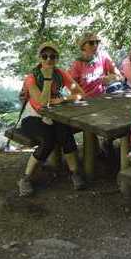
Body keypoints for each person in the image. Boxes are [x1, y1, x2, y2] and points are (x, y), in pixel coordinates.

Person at [18, 42, 86, 197]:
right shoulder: (31, 78)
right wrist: (48, 79)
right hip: (33, 117)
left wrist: (63, 99)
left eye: (53, 56)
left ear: (57, 58)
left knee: (65, 134)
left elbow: (81, 94)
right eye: (45, 56)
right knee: (48, 140)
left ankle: (75, 172)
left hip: (54, 116)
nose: (49, 59)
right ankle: (26, 178)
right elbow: (42, 103)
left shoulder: (61, 74)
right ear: (40, 58)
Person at [69, 32, 123, 98]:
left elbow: (120, 76)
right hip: (86, 100)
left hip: (103, 97)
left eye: (97, 42)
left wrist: (111, 78)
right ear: (83, 46)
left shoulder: (103, 56)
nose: (95, 45)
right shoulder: (77, 64)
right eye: (91, 43)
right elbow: (72, 89)